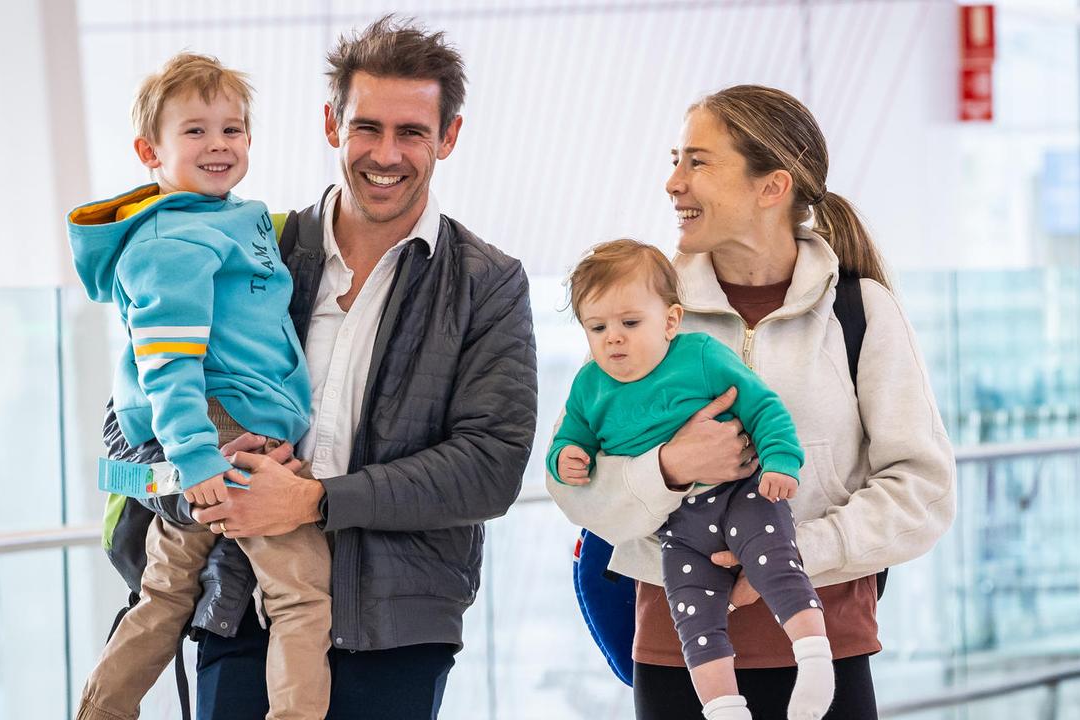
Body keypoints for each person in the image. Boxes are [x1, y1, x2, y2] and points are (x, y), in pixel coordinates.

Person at [154, 16, 536, 720]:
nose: (385, 154)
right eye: (367, 127)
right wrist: (201, 476)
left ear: (448, 137)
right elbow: (125, 440)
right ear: (332, 124)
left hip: (398, 630)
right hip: (242, 611)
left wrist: (316, 501)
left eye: (412, 132)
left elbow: (492, 465)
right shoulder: (247, 246)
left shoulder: (488, 282)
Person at [548, 85, 956, 719]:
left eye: (698, 162)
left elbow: (923, 489)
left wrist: (789, 552)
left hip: (828, 652)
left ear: (772, 187)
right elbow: (575, 487)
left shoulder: (860, 311)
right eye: (675, 158)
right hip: (678, 656)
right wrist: (668, 468)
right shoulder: (640, 315)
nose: (672, 182)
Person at [68, 53, 330, 720]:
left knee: (165, 591)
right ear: (147, 149)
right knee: (300, 597)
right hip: (217, 427)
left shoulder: (234, 219)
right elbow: (166, 361)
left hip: (226, 423)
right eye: (195, 131)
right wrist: (193, 457)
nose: (218, 144)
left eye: (232, 129)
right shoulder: (171, 241)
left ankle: (100, 710)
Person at [549, 238, 833, 720]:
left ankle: (814, 658)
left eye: (630, 323)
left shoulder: (699, 355)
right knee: (693, 615)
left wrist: (783, 461)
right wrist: (567, 458)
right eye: (597, 328)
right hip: (677, 527)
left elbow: (762, 405)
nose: (612, 338)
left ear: (671, 321)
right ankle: (722, 706)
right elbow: (569, 442)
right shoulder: (589, 385)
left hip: (743, 491)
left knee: (777, 563)